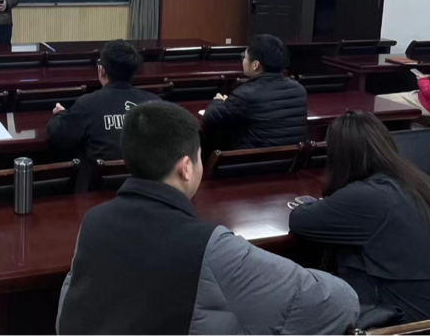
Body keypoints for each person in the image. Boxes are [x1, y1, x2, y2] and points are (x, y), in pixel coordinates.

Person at [56, 102, 359, 336]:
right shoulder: (212, 247)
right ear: (186, 168)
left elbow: (67, 312)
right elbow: (338, 304)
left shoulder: (93, 222)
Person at [289, 112, 430, 323]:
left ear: (339, 157)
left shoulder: (366, 195)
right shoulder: (423, 183)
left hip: (412, 323)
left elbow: (299, 220)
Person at [47, 40, 161, 190]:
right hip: (145, 190)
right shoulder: (155, 103)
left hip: (98, 194)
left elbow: (56, 136)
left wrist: (61, 115)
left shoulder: (87, 104)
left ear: (102, 70)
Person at [202, 34, 308, 150]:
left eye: (244, 57)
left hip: (254, 159)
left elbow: (210, 118)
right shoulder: (299, 90)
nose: (243, 60)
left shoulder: (245, 94)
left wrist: (218, 101)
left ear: (255, 65)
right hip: (291, 159)